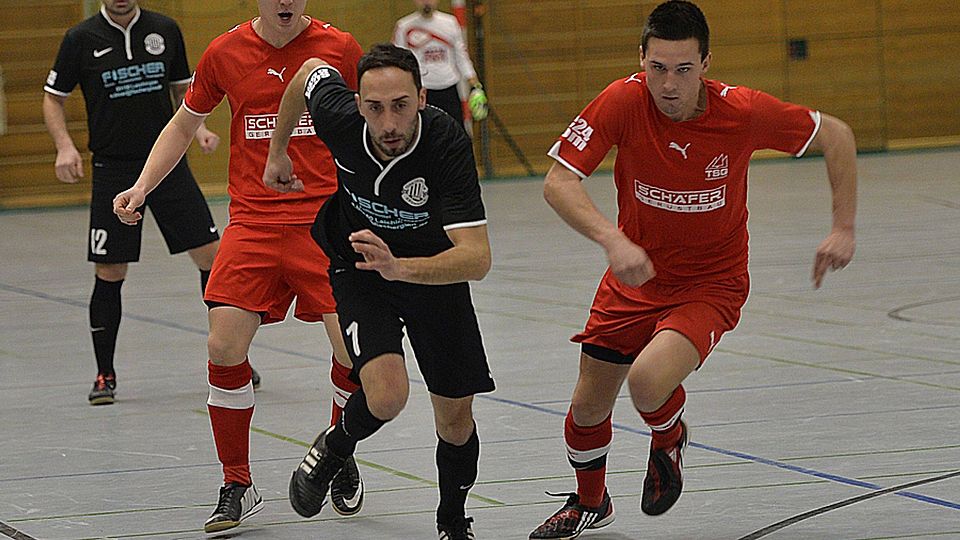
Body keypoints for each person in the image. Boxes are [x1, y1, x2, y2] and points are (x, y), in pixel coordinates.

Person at [528, 1, 857, 538]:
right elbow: (558, 182)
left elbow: (836, 135)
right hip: (634, 276)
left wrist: (842, 227)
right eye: (657, 68)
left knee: (647, 381)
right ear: (642, 59)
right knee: (586, 408)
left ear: (706, 63)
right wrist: (612, 240)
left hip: (711, 284)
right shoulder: (623, 100)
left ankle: (668, 436)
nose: (668, 84)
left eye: (683, 69)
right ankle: (592, 502)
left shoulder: (742, 112)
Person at [112, 0, 365, 533]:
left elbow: (370, 123)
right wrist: (140, 186)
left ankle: (337, 451)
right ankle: (237, 483)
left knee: (351, 350)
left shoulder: (339, 48)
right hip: (253, 221)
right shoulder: (225, 52)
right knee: (224, 347)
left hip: (324, 219)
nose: (284, 2)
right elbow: (183, 126)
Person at [263, 43, 495, 540]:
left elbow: (476, 258)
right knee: (387, 396)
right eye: (374, 107)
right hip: (360, 266)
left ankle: (452, 521)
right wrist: (277, 150)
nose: (388, 123)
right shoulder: (340, 119)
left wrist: (403, 267)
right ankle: (337, 445)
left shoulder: (446, 144)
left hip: (432, 270)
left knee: (455, 421)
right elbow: (306, 72)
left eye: (400, 106)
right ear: (357, 102)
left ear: (422, 99)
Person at [42, 0, 231, 406]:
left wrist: (200, 132)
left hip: (167, 165)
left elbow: (186, 91)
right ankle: (104, 372)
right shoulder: (80, 38)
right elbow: (53, 97)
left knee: (212, 258)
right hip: (114, 168)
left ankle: (231, 358)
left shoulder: (165, 29)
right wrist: (64, 147)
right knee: (110, 269)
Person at [393, 0, 488, 124]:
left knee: (456, 132)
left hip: (449, 88)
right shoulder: (403, 26)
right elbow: (399, 62)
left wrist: (475, 85)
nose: (426, 2)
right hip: (422, 90)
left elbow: (461, 56)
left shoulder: (450, 23)